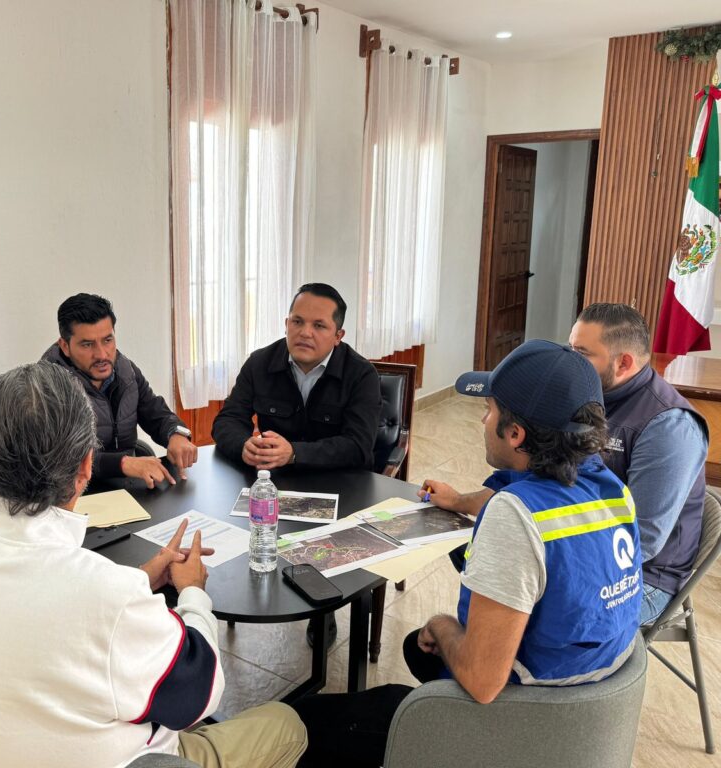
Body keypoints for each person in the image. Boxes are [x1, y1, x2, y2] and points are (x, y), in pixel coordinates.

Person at [0, 362, 306, 768]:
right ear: (85, 468)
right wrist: (192, 593)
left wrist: (138, 580)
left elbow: (43, 613)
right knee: (286, 724)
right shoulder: (103, 594)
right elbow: (197, 697)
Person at [292, 341, 642, 766]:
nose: (482, 419)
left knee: (306, 722)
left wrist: (441, 624)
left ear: (516, 434)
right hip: (584, 712)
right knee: (417, 649)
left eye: (489, 410)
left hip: (524, 724)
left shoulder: (516, 516)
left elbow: (482, 681)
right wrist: (459, 501)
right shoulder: (612, 489)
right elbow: (531, 505)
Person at [569, 303, 708, 624]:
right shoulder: (593, 396)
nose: (570, 361)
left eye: (582, 353)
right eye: (571, 348)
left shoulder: (670, 425)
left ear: (624, 363)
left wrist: (560, 555)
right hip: (589, 545)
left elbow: (641, 540)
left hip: (644, 576)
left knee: (540, 614)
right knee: (498, 575)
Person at [212, 283, 381, 471]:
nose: (305, 333)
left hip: (340, 479)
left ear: (338, 336)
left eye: (319, 325)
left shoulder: (362, 375)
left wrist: (294, 453)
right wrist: (243, 445)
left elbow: (358, 446)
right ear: (286, 325)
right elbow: (228, 420)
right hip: (274, 478)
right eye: (297, 322)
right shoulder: (259, 363)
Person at [42, 293, 198, 489]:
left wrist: (176, 433)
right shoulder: (46, 386)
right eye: (87, 344)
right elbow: (64, 457)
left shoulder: (126, 371)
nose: (102, 354)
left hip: (125, 483)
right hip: (74, 492)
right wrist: (123, 463)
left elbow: (155, 412)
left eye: (107, 340)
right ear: (65, 346)